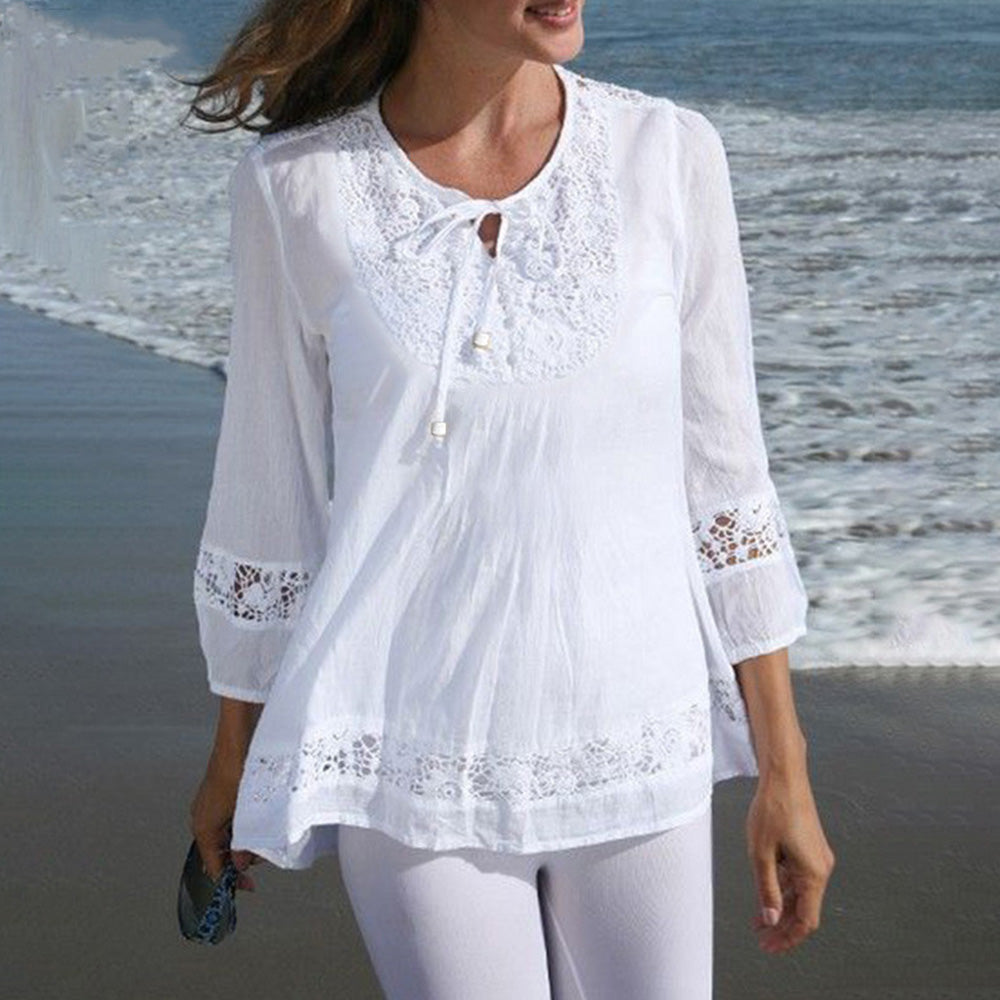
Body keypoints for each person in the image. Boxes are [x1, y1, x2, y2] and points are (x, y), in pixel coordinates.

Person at [184, 0, 835, 995]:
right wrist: (236, 749)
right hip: (408, 757)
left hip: (637, 742)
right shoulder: (297, 186)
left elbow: (726, 485)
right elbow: (265, 495)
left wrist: (784, 769)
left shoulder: (668, 155)